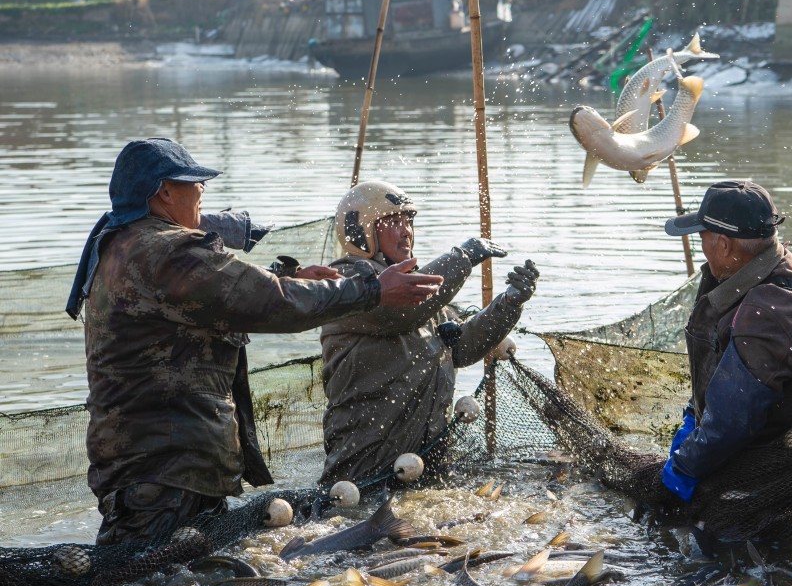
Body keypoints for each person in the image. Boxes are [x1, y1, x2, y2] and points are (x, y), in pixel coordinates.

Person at [67, 139, 443, 545]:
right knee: (150, 582)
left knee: (167, 580)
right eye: (195, 184)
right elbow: (271, 302)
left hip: (146, 465)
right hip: (166, 468)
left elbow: (213, 292)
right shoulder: (167, 250)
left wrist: (294, 278)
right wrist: (372, 288)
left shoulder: (122, 243)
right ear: (164, 192)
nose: (201, 193)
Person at [318, 181, 539, 486]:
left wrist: (509, 303)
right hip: (363, 474)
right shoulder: (347, 285)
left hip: (427, 465)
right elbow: (400, 313)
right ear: (361, 230)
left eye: (409, 221)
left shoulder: (416, 289)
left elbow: (461, 348)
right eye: (394, 222)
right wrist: (463, 257)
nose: (406, 231)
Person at [658, 180, 792, 502]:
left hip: (771, 469)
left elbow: (730, 425)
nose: (700, 245)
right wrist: (694, 414)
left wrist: (684, 467)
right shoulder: (774, 261)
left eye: (703, 236)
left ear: (725, 245)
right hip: (767, 444)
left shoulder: (764, 314)